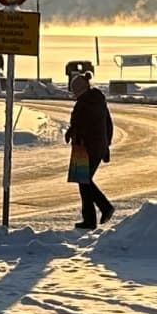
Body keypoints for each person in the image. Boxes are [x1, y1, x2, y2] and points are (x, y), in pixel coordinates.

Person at [64, 59, 116, 229]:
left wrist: (70, 133)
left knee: (84, 181)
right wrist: (106, 145)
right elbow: (108, 124)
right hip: (97, 147)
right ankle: (91, 219)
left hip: (85, 148)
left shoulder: (83, 104)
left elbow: (80, 125)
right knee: (84, 181)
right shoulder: (99, 100)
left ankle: (104, 208)